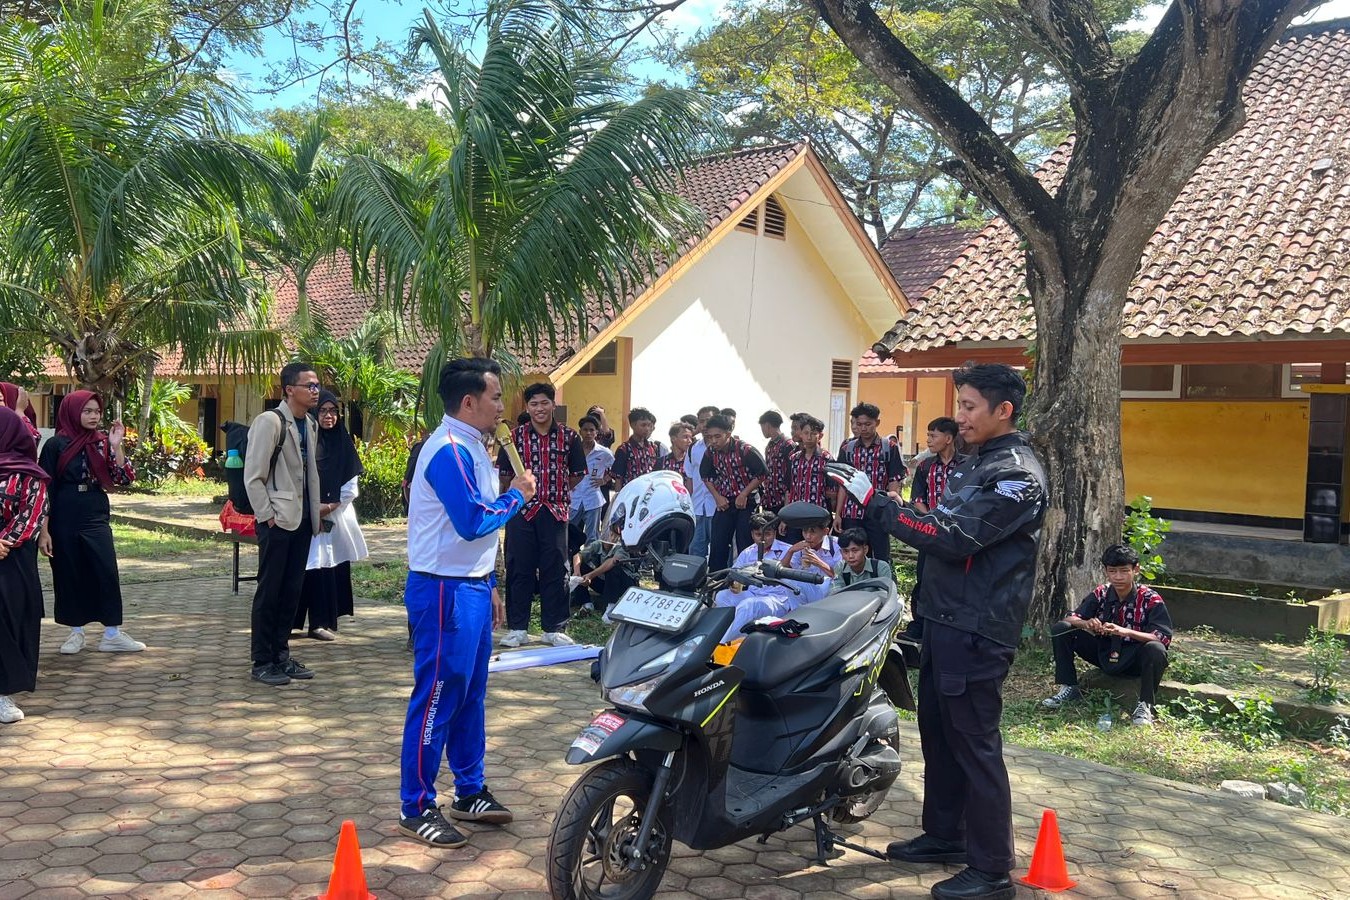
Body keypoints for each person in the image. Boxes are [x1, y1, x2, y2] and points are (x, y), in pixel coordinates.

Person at [830, 363, 1046, 900]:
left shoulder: (1017, 473)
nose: (961, 416)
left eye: (971, 407)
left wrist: (879, 504)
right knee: (941, 736)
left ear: (1004, 411)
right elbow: (936, 526)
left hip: (978, 628)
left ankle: (993, 867)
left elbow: (953, 535)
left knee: (974, 742)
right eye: (961, 405)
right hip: (944, 623)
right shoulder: (977, 464)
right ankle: (946, 835)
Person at [400, 356, 537, 848]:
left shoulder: (477, 446)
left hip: (471, 585)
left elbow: (479, 539)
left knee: (471, 694)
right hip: (442, 590)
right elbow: (474, 521)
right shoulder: (448, 450)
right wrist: (517, 496)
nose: (503, 407)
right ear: (468, 401)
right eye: (496, 397)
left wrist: (491, 581)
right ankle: (415, 805)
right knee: (438, 696)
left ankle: (468, 789)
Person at [38, 390, 143, 655]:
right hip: (64, 513)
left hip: (94, 509)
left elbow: (124, 477)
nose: (94, 416)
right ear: (73, 412)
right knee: (68, 572)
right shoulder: (55, 445)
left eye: (97, 411)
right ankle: (75, 632)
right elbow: (45, 489)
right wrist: (44, 530)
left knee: (105, 570)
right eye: (87, 411)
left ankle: (112, 633)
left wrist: (117, 445)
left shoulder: (102, 442)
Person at [243, 363, 322, 686]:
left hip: (303, 519)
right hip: (278, 519)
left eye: (317, 385)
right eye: (309, 385)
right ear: (289, 389)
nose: (315, 391)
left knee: (291, 591)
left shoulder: (311, 424)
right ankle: (262, 660)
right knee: (270, 591)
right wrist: (267, 516)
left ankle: (281, 655)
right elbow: (254, 476)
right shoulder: (269, 422)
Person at [1042, 544, 1173, 726]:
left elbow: (1163, 637)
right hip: (1104, 651)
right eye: (1112, 571)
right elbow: (1072, 617)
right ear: (1106, 571)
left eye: (1124, 571)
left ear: (1136, 570)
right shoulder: (1101, 592)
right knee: (1062, 628)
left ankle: (1145, 705)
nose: (1118, 577)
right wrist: (1086, 623)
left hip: (1135, 657)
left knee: (1156, 648)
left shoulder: (1151, 598)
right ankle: (1069, 687)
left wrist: (1124, 631)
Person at [499, 382, 586, 649]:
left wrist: (554, 492)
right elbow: (504, 475)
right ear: (527, 407)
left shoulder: (570, 438)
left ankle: (554, 628)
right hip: (521, 513)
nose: (539, 408)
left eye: (544, 403)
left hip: (556, 512)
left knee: (556, 569)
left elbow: (577, 474)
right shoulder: (512, 438)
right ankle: (517, 628)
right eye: (534, 404)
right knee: (519, 568)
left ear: (553, 405)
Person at [293, 391, 369, 642]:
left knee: (325, 569)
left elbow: (350, 486)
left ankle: (319, 623)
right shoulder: (306, 442)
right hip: (304, 516)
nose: (329, 416)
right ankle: (291, 622)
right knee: (303, 569)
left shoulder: (342, 442)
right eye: (324, 411)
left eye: (333, 411)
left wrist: (326, 509)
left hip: (334, 518)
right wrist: (309, 510)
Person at [712, 510, 831, 641]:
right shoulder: (747, 552)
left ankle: (719, 644)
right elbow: (734, 574)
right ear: (752, 534)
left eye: (767, 534)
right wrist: (734, 581)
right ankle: (738, 636)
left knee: (749, 605)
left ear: (774, 533)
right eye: (758, 534)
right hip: (754, 594)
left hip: (778, 599)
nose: (762, 538)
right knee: (722, 596)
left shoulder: (789, 549)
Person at [0, 407, 49, 724]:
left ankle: (2, 694)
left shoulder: (28, 473)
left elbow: (32, 516)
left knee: (7, 621)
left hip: (12, 559)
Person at [905, 416, 964, 640]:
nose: (928, 439)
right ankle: (919, 624)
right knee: (924, 577)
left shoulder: (968, 465)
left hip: (958, 533)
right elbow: (917, 499)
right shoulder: (925, 466)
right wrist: (931, 519)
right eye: (928, 435)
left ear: (948, 438)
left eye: (933, 435)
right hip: (930, 532)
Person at [835, 402, 906, 562]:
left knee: (881, 556)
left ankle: (883, 585)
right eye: (859, 424)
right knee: (853, 555)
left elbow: (894, 479)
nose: (863, 428)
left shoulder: (889, 447)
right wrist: (838, 514)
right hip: (852, 512)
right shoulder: (848, 448)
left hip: (878, 512)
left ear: (877, 423)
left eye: (868, 424)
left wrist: (891, 509)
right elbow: (842, 483)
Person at [699, 414, 768, 571]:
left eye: (718, 436)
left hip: (747, 501)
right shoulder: (710, 452)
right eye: (710, 437)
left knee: (745, 542)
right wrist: (717, 497)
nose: (713, 441)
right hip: (724, 502)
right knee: (718, 543)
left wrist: (744, 494)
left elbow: (762, 474)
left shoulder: (745, 450)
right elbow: (706, 476)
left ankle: (746, 581)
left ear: (728, 434)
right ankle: (716, 583)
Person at [784, 414, 833, 541]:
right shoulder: (793, 458)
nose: (809, 437)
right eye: (806, 433)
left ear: (820, 436)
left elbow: (833, 491)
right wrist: (785, 516)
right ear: (801, 435)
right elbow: (789, 489)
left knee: (815, 548)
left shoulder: (827, 459)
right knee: (794, 548)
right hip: (795, 513)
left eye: (813, 433)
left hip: (817, 513)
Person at [568, 416, 613, 543]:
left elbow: (615, 468)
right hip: (574, 497)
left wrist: (604, 480)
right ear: (580, 431)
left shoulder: (604, 452)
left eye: (592, 430)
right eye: (585, 430)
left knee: (592, 535)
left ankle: (590, 561)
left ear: (596, 433)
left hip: (593, 497)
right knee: (567, 531)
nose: (588, 433)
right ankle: (569, 560)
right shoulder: (572, 450)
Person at [684, 405, 720, 559]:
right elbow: (690, 477)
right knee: (695, 551)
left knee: (720, 551)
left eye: (708, 420)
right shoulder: (693, 448)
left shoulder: (725, 446)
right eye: (701, 421)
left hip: (718, 507)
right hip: (697, 507)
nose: (704, 425)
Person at [610, 407, 663, 489]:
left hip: (649, 495)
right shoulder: (624, 449)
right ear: (632, 425)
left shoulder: (653, 447)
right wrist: (618, 497)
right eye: (643, 425)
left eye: (649, 425)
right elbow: (618, 478)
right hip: (631, 494)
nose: (647, 429)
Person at [830, 527, 895, 594]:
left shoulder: (880, 567)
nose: (850, 556)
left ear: (865, 549)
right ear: (841, 552)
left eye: (855, 550)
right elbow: (836, 593)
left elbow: (885, 595)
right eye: (846, 551)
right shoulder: (840, 567)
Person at [759, 410, 792, 513]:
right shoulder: (769, 446)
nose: (762, 431)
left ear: (767, 425)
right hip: (769, 499)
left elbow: (791, 474)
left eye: (762, 427)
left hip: (782, 500)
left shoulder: (787, 445)